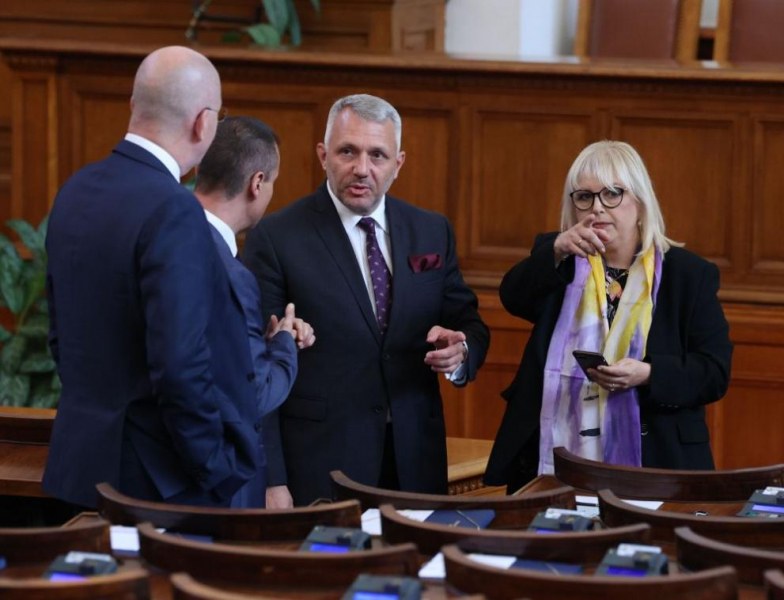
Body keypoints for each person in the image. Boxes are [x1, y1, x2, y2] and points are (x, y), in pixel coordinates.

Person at [243, 93, 490, 506]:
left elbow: (468, 322)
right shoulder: (277, 237)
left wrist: (461, 352)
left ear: (399, 163)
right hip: (320, 465)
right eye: (347, 152)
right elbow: (256, 365)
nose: (362, 169)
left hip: (415, 462)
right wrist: (272, 478)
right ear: (323, 155)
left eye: (377, 155)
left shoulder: (431, 231)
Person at [44, 46, 264, 509]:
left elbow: (61, 340)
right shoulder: (174, 209)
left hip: (76, 468)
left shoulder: (76, 189)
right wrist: (215, 469)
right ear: (204, 123)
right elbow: (181, 364)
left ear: (133, 105)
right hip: (158, 487)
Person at [484, 140, 733, 493]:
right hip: (555, 454)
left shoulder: (687, 275)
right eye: (584, 197)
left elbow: (714, 371)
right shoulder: (561, 260)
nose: (597, 208)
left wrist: (648, 374)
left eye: (612, 194)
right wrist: (554, 251)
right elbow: (513, 296)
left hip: (658, 458)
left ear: (641, 204)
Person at [194, 115, 315, 507]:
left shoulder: (165, 237)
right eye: (273, 182)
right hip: (218, 473)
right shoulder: (233, 272)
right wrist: (283, 343)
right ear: (257, 183)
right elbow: (256, 392)